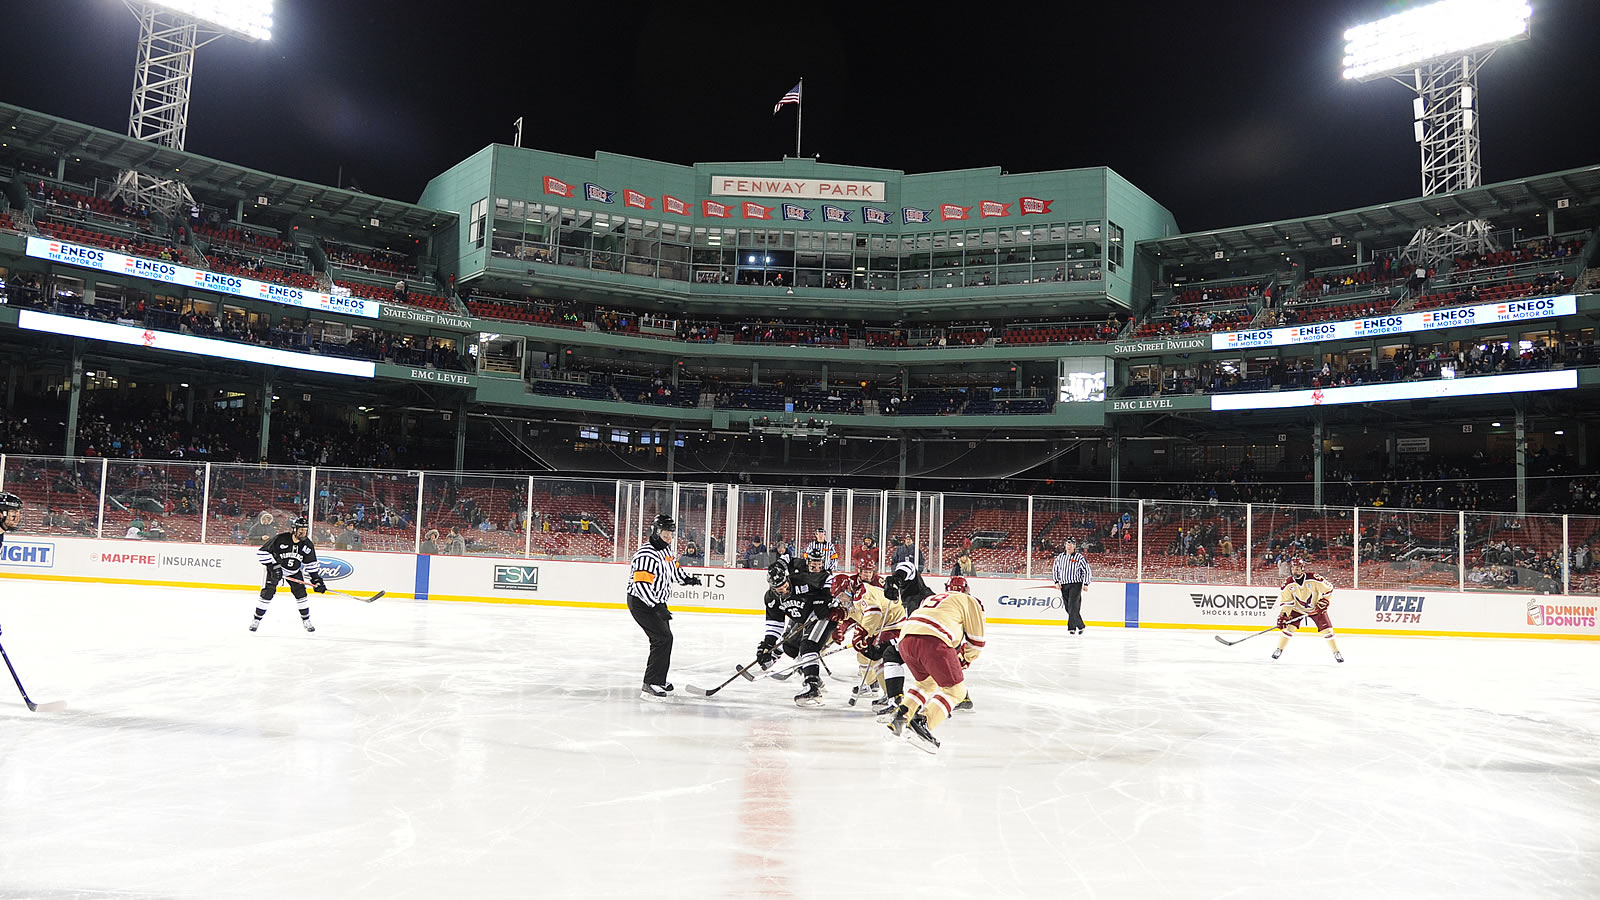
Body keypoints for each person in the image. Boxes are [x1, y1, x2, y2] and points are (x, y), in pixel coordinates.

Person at [877, 575, 986, 754]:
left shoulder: (933, 599)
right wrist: (964, 660)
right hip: (933, 639)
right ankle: (923, 722)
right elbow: (977, 642)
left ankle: (901, 716)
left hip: (906, 638)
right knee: (955, 691)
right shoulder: (969, 601)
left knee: (926, 683)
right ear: (967, 590)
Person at [627, 514, 701, 700]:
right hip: (642, 603)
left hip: (656, 603)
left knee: (664, 639)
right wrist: (657, 606)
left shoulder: (667, 551)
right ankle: (650, 682)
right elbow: (641, 585)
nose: (668, 539)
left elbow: (675, 571)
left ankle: (658, 679)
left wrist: (688, 579)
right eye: (665, 535)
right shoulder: (645, 554)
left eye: (671, 535)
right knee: (663, 638)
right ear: (655, 532)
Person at [754, 560, 836, 707]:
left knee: (809, 646)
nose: (785, 591)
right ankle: (811, 672)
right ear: (772, 587)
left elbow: (829, 579)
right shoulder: (771, 599)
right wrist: (768, 645)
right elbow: (775, 624)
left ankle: (812, 687)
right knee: (790, 647)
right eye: (780, 590)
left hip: (824, 616)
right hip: (805, 620)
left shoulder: (801, 580)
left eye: (785, 586)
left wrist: (822, 599)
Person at [251, 515, 324, 633]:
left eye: (306, 530)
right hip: (276, 570)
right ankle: (256, 620)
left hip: (294, 572)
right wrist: (273, 567)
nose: (304, 533)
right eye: (301, 530)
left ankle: (306, 620)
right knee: (267, 593)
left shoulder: (307, 545)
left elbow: (311, 564)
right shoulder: (280, 539)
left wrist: (316, 580)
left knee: (301, 595)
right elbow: (262, 553)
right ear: (294, 530)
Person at [1273, 557, 1344, 663]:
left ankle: (1336, 652)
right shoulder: (1288, 584)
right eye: (1293, 568)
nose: (1295, 570)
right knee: (1288, 629)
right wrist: (1283, 616)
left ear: (1302, 568)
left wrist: (1324, 601)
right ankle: (1279, 649)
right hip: (1297, 609)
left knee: (1328, 631)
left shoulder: (1313, 578)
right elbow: (1288, 604)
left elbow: (1329, 589)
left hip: (1315, 609)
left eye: (1297, 568)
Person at [1053, 538, 1092, 634]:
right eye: (1067, 544)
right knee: (1068, 607)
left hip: (1076, 584)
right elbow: (1055, 569)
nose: (1069, 546)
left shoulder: (1079, 558)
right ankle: (1081, 625)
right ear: (1065, 545)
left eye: (1071, 544)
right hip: (1064, 584)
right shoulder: (1060, 557)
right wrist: (1056, 581)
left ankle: (1071, 628)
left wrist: (1086, 583)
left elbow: (1087, 570)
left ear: (1074, 546)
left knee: (1072, 605)